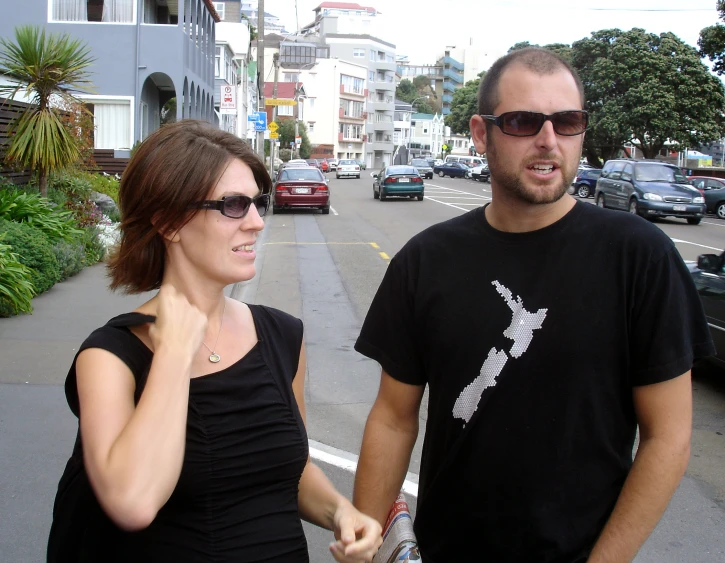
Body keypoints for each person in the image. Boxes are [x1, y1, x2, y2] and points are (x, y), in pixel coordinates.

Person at [352, 48, 715, 562]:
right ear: (481, 133)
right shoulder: (425, 261)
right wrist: (365, 543)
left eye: (567, 122)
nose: (549, 140)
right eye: (523, 122)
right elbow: (393, 418)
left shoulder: (639, 256)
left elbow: (669, 437)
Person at [47, 120, 381, 563]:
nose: (258, 222)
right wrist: (173, 352)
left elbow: (288, 469)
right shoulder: (111, 356)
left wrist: (340, 510)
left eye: (258, 203)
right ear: (169, 222)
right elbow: (132, 501)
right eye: (234, 205)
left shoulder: (282, 335)